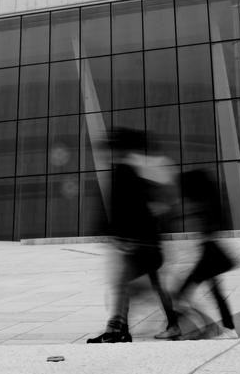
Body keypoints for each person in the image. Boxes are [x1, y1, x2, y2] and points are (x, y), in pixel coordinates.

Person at [87, 129, 178, 344]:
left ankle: (118, 331)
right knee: (152, 285)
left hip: (141, 245)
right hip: (149, 244)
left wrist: (119, 235)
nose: (104, 153)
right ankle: (173, 324)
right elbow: (144, 207)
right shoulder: (132, 170)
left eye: (108, 148)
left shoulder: (123, 171)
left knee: (122, 285)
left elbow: (126, 208)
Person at [171, 168, 238, 339]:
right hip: (209, 253)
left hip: (209, 254)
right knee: (212, 292)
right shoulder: (206, 201)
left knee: (183, 293)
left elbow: (206, 229)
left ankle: (180, 328)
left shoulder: (203, 203)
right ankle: (228, 329)